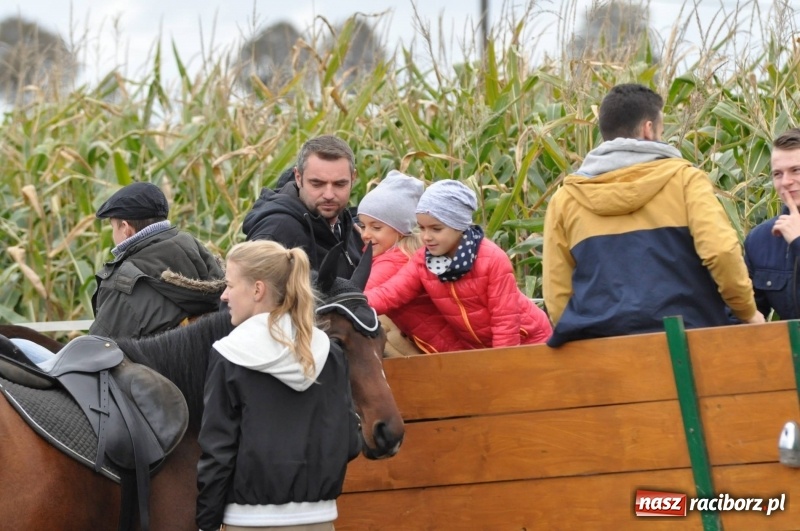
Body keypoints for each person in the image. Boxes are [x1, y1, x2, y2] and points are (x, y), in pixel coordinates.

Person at [542, 83, 764, 347]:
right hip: (689, 343)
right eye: (661, 129)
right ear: (648, 129)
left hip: (601, 353)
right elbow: (721, 252)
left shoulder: (565, 199)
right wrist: (747, 312)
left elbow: (557, 293)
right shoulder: (685, 181)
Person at [196, 240, 360, 531]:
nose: (224, 295)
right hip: (319, 519)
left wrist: (206, 524)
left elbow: (217, 452)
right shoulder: (328, 353)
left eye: (230, 285)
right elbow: (349, 440)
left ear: (257, 290)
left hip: (249, 522)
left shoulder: (230, 355)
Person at [365, 180, 552, 349]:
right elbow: (390, 293)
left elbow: (505, 322)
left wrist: (501, 365)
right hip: (479, 349)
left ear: (459, 226)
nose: (426, 237)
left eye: (436, 229)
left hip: (528, 343)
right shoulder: (424, 260)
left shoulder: (492, 259)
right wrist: (350, 303)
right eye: (422, 228)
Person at [90, 182, 225, 339]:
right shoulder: (199, 252)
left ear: (125, 228)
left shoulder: (122, 283)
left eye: (113, 227)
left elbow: (99, 349)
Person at [357, 170, 471, 355]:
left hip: (446, 351)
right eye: (363, 226)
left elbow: (360, 295)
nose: (365, 234)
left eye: (376, 227)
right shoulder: (410, 252)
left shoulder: (395, 260)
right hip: (435, 342)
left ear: (401, 230)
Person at [242, 135, 362, 277]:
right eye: (317, 184)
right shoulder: (276, 231)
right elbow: (245, 294)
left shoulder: (352, 228)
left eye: (339, 184)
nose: (329, 194)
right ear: (298, 177)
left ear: (353, 178)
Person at [744, 128, 800, 320]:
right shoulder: (760, 240)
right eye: (777, 174)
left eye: (796, 170)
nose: (786, 181)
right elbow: (745, 309)